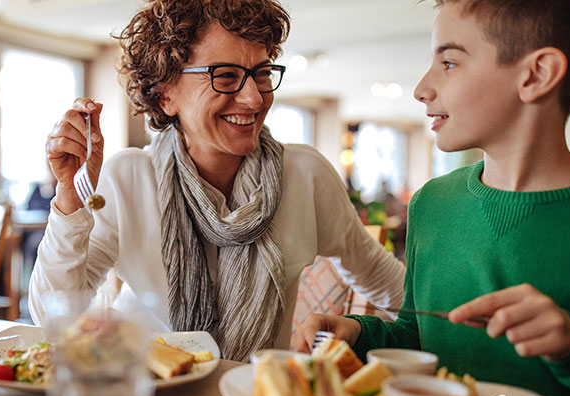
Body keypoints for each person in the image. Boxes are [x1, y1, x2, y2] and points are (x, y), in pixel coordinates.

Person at [29, 0, 404, 361]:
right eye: (225, 76)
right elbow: (52, 317)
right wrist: (69, 196)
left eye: (261, 73)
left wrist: (449, 331)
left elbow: (391, 286)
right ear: (165, 95)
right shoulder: (128, 178)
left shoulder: (305, 175)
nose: (254, 99)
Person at [293, 0, 570, 396]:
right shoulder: (432, 204)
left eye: (450, 63)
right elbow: (420, 340)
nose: (422, 87)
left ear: (536, 75)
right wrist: (358, 335)